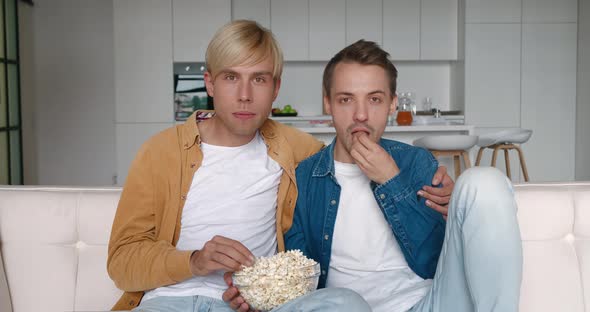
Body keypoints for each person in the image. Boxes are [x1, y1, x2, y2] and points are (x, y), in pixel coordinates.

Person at [108, 20, 453, 312]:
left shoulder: (297, 151)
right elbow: (122, 262)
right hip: (167, 302)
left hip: (251, 306)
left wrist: (446, 194)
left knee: (345, 303)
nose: (245, 94)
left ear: (275, 88)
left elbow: (346, 157)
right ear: (210, 83)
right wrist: (193, 261)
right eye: (231, 78)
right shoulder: (160, 152)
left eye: (259, 79)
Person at [279, 40, 522, 312]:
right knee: (347, 303)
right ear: (328, 104)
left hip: (428, 304)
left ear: (392, 105)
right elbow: (299, 277)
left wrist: (392, 181)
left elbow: (431, 262)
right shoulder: (305, 177)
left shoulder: (417, 163)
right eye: (346, 100)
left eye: (374, 99)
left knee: (484, 181)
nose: (360, 115)